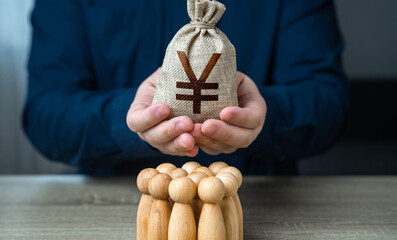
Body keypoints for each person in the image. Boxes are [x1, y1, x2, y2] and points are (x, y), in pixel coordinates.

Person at [23, 0, 348, 175]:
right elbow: (45, 112)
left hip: (257, 194)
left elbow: (327, 100)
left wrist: (260, 114)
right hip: (111, 200)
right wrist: (131, 118)